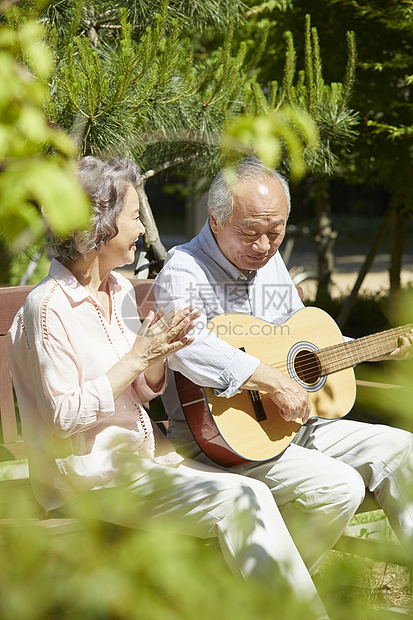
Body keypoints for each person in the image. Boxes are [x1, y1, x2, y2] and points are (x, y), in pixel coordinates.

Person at [8, 156, 330, 620]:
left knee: (273, 491)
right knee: (245, 498)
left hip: (140, 461)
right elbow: (64, 418)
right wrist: (139, 355)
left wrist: (158, 354)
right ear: (96, 228)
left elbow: (141, 392)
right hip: (87, 477)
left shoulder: (117, 290)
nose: (141, 227)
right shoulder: (47, 309)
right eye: (133, 216)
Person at [153, 156, 413, 578]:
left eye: (275, 232)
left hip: (289, 424)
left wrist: (370, 349)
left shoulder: (270, 263)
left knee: (401, 449)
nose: (263, 246)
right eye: (250, 232)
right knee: (340, 487)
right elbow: (186, 345)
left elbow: (301, 343)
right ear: (215, 221)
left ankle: (260, 587)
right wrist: (269, 378)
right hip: (220, 443)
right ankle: (266, 593)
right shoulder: (183, 271)